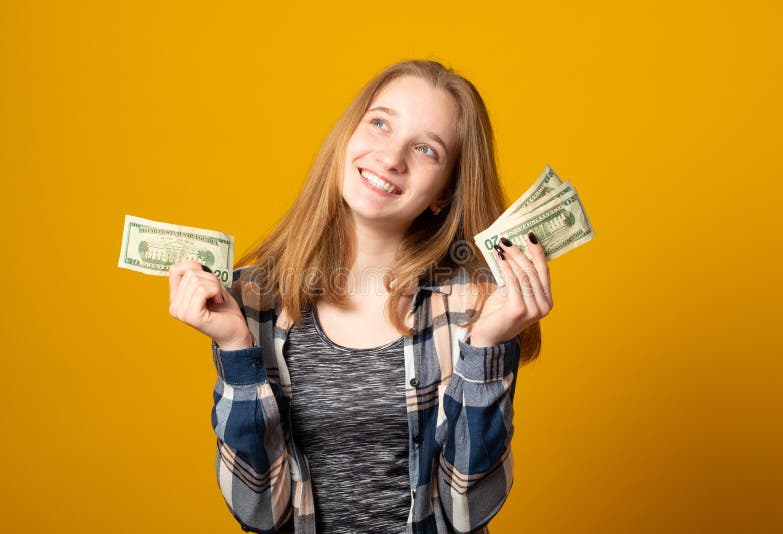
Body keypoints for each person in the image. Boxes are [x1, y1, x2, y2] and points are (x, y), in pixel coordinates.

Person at [168, 60, 553, 534]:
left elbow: (469, 510)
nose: (392, 157)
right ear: (348, 136)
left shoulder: (473, 307)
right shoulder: (253, 301)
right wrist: (235, 350)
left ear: (443, 194)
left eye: (426, 149)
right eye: (379, 122)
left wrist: (489, 348)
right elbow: (259, 512)